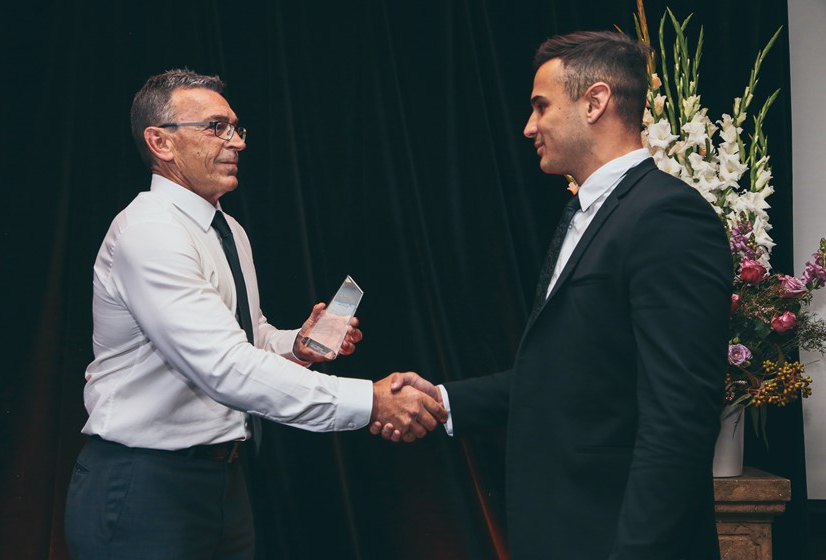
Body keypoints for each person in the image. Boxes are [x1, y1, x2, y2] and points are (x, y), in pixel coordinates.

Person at [375, 31, 732, 559]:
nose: (529, 126)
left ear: (595, 102)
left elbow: (679, 418)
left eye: (540, 107)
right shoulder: (583, 214)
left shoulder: (666, 216)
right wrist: (442, 401)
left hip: (615, 539)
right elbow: (567, 376)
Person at [64, 68, 446, 560]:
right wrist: (371, 401)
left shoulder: (228, 229)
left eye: (237, 128)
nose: (236, 142)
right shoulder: (150, 231)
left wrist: (296, 345)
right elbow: (223, 366)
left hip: (222, 485)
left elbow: (245, 337)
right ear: (160, 142)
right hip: (145, 487)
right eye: (216, 127)